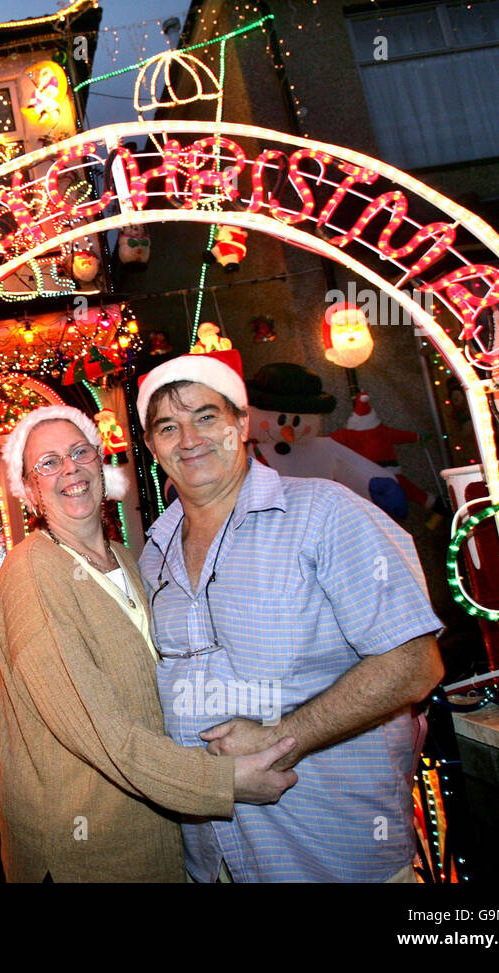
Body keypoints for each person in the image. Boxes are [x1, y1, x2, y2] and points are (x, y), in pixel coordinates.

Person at [135, 348, 445, 882]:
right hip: (212, 861)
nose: (189, 439)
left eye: (206, 416)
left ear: (241, 422)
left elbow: (414, 664)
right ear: (151, 446)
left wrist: (284, 737)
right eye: (167, 426)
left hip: (333, 852)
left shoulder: (325, 513)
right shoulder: (152, 553)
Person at [0, 404, 298, 882]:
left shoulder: (128, 559)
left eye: (80, 453)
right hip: (90, 852)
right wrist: (223, 781)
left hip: (157, 833)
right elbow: (95, 728)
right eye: (48, 463)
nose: (70, 468)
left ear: (101, 464)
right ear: (30, 490)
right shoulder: (34, 569)